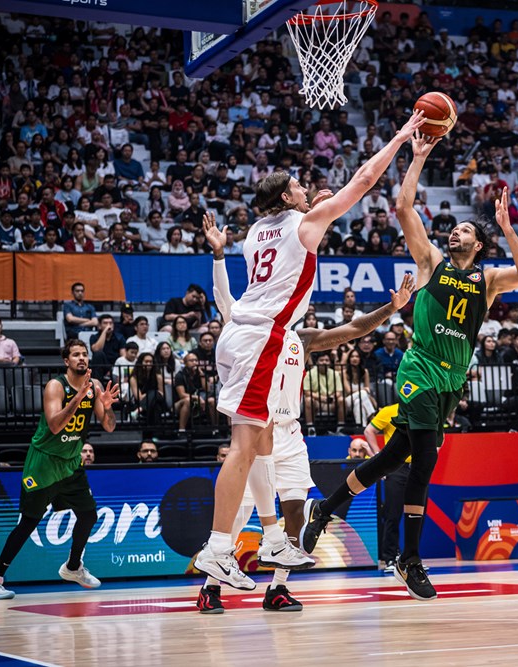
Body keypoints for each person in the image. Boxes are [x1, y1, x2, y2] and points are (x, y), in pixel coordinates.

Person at [195, 109, 425, 592]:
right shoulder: (303, 224)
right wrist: (400, 137)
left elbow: (286, 246)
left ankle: (273, 538)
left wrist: (313, 209)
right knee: (243, 446)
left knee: (261, 440)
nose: (305, 189)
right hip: (261, 337)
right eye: (298, 186)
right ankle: (217, 548)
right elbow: (363, 181)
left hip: (242, 333)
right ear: (286, 197)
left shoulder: (254, 233)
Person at [300, 132, 518, 601]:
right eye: (454, 230)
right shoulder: (430, 262)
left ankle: (326, 509)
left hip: (451, 380)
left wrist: (508, 228)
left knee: (393, 458)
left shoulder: (488, 279)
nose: (455, 233)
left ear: (479, 244)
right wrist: (419, 156)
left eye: (464, 231)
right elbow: (404, 207)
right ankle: (409, 558)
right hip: (419, 369)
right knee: (424, 460)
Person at [0, 339, 119, 600]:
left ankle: (73, 567)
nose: (82, 358)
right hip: (44, 463)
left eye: (84, 354)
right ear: (66, 361)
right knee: (28, 522)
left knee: (88, 515)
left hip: (71, 462)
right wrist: (77, 399)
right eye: (76, 354)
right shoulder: (56, 386)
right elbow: (55, 426)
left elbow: (109, 427)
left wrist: (108, 408)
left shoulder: (95, 386)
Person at [362, 403, 409, 573]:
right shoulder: (390, 411)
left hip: (417, 467)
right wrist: (380, 456)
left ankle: (411, 558)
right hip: (396, 468)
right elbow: (369, 430)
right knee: (392, 514)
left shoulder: (422, 409)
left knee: (416, 516)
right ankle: (390, 557)